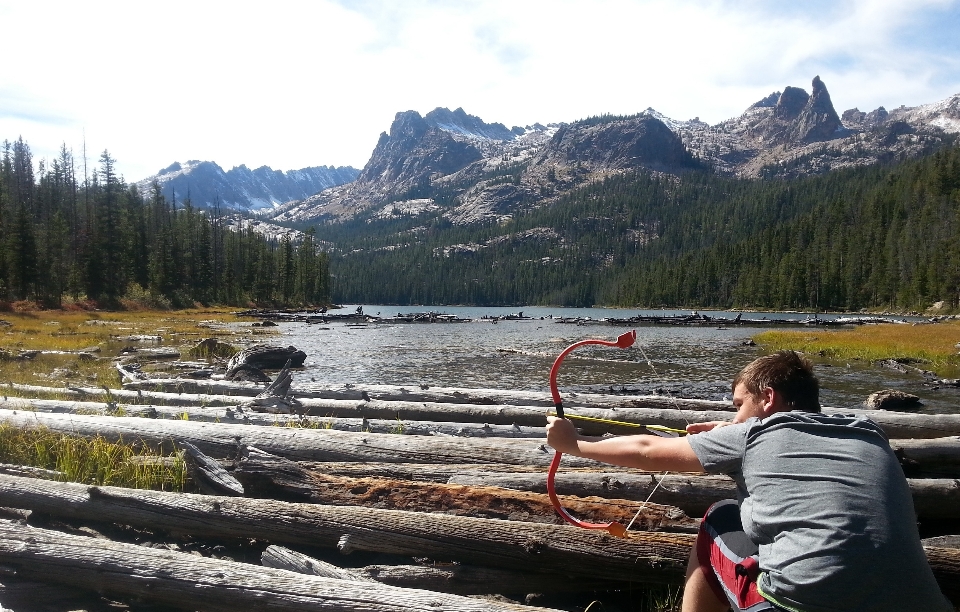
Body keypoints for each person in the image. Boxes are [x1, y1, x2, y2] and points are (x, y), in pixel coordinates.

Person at [546, 350, 951, 612]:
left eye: (740, 405)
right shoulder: (865, 428)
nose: (736, 416)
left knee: (719, 517)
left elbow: (646, 450)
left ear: (768, 398)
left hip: (800, 606)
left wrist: (574, 442)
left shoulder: (753, 433)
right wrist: (732, 430)